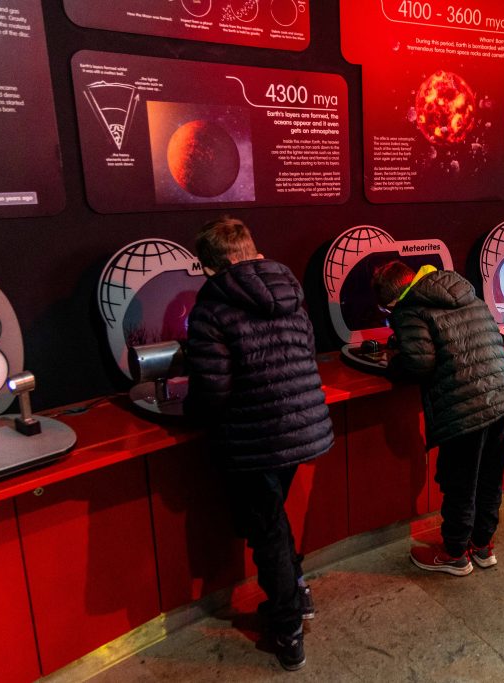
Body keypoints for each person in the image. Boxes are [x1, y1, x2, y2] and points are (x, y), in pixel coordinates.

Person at [184, 217, 334, 671]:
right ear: (252, 250)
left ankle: (287, 628)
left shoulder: (212, 305)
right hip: (301, 425)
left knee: (265, 527)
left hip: (253, 437)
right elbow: (305, 352)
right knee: (271, 516)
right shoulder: (289, 291)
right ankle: (298, 591)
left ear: (211, 265)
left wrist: (190, 411)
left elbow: (213, 389)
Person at [372, 261, 504, 575]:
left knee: (460, 483)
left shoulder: (409, 309)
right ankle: (482, 546)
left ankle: (454, 553)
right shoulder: (464, 291)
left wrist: (392, 363)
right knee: (490, 478)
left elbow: (419, 363)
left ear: (392, 301)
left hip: (464, 407)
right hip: (502, 396)